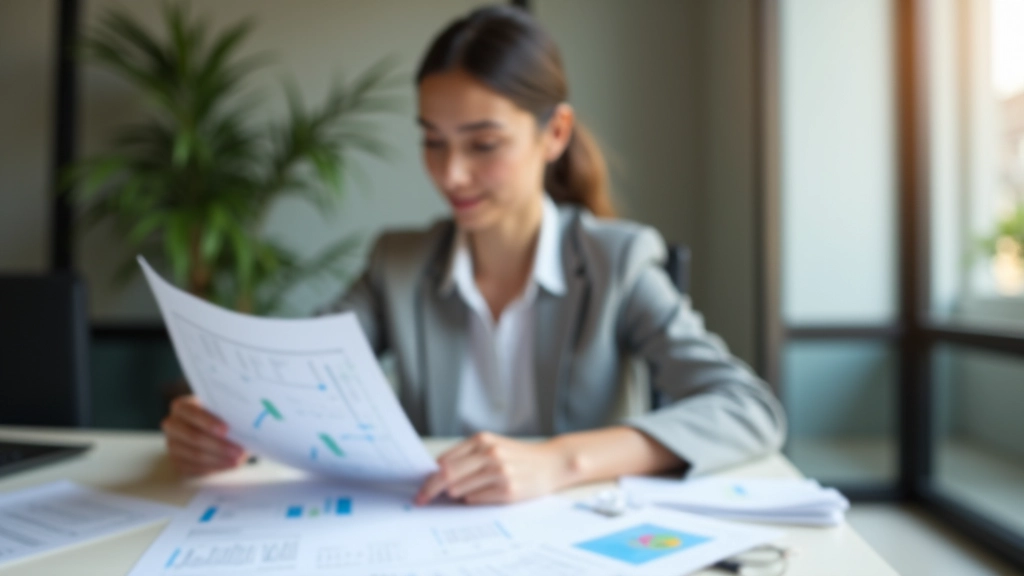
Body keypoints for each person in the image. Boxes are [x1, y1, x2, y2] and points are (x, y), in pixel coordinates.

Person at [161, 4, 786, 506]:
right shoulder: (397, 264)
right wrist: (228, 425)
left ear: (555, 133)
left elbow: (747, 409)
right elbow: (295, 379)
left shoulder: (615, 263)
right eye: (433, 142)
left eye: (483, 144)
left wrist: (558, 461)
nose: (451, 174)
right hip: (432, 535)